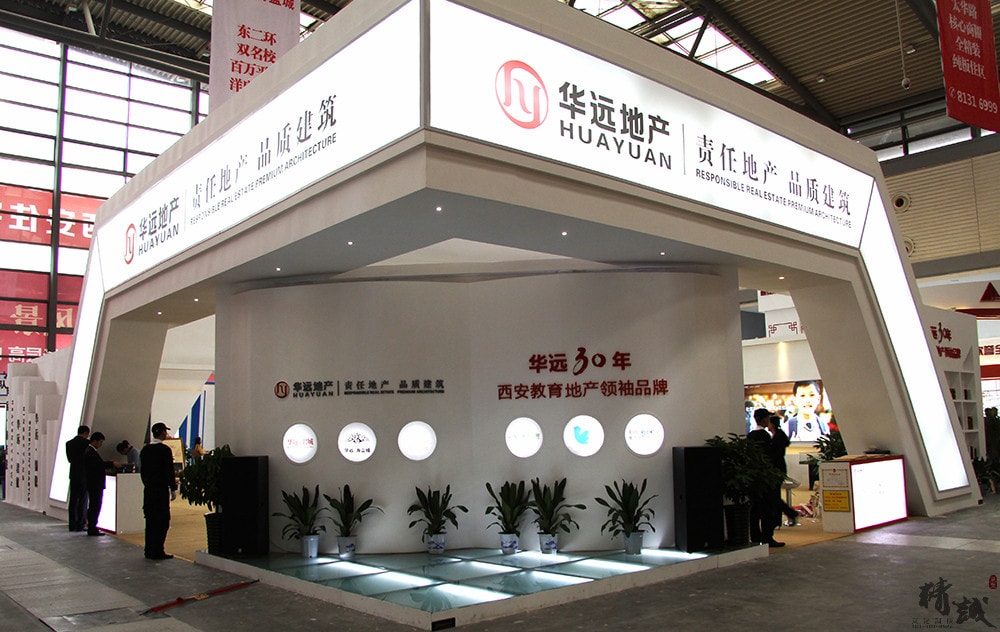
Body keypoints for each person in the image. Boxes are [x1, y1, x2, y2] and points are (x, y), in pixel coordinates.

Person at [140, 422, 177, 560]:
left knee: (150, 521)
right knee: (162, 521)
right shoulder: (165, 450)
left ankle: (149, 549)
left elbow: (143, 471)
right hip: (160, 490)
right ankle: (158, 550)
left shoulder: (145, 450)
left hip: (149, 490)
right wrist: (173, 488)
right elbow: (169, 471)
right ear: (162, 432)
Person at [748, 408, 783, 548]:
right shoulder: (765, 436)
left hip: (754, 478)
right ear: (763, 419)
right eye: (768, 418)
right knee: (767, 509)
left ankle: (755, 537)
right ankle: (767, 537)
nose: (769, 420)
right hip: (765, 478)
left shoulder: (750, 435)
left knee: (755, 509)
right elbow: (770, 457)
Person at [83, 432, 117, 536]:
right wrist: (111, 463)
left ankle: (92, 526)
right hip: (95, 483)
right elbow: (98, 465)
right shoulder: (90, 452)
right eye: (101, 442)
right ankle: (92, 527)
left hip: (93, 483)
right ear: (95, 441)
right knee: (95, 505)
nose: (101, 444)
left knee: (94, 505)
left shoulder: (90, 451)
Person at [767, 414, 799, 527]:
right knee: (774, 495)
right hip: (778, 467)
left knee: (774, 495)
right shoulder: (778, 435)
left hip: (777, 468)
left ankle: (790, 513)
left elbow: (776, 454)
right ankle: (781, 517)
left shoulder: (778, 437)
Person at [65, 425, 90, 532]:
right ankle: (81, 524)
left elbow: (70, 459)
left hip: (74, 474)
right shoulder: (87, 444)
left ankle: (72, 524)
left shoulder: (69, 443)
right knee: (83, 500)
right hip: (84, 474)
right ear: (86, 433)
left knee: (73, 500)